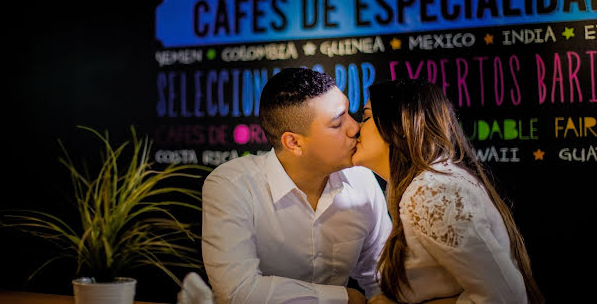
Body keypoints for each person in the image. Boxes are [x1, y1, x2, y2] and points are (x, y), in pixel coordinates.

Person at [201, 67, 392, 304]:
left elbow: (381, 277)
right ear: (293, 143)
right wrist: (343, 298)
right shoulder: (232, 185)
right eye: (337, 123)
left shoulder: (362, 178)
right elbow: (237, 291)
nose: (355, 128)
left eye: (350, 113)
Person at [352, 79, 544, 304]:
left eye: (365, 117)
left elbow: (507, 299)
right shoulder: (427, 184)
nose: (355, 128)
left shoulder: (431, 193)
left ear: (397, 125)